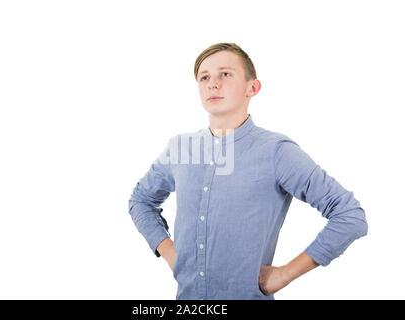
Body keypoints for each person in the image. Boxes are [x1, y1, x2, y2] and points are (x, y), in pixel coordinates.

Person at [128, 42, 368, 300]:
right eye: (204, 77)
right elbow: (140, 201)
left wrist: (284, 274)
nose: (213, 83)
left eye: (225, 74)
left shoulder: (276, 151)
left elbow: (349, 216)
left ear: (252, 88)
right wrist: (172, 255)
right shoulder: (180, 148)